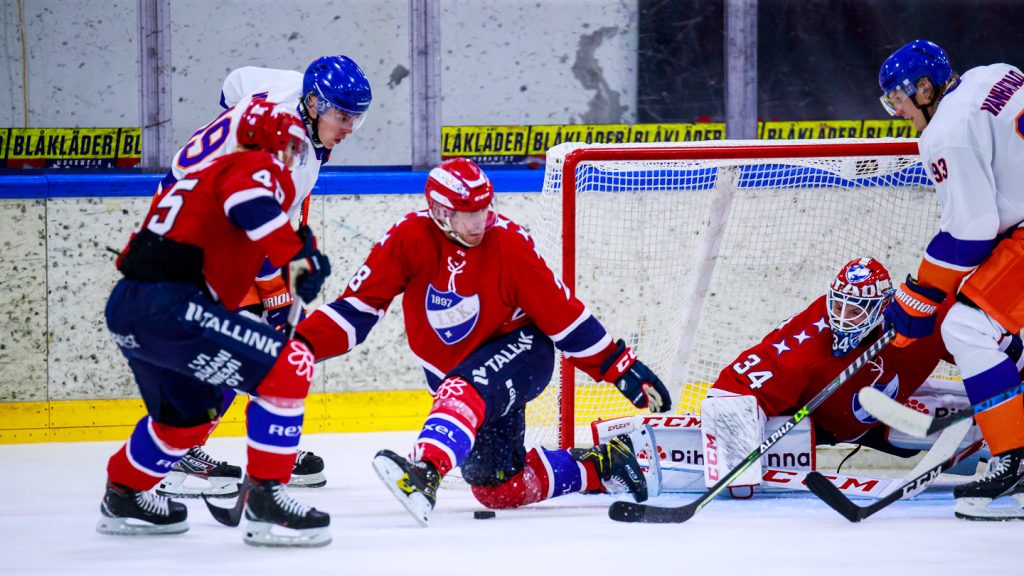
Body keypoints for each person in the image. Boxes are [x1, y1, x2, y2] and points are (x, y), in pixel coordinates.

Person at [294, 157, 672, 526]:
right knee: (498, 488)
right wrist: (294, 345)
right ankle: (602, 467)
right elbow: (356, 310)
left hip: (523, 353)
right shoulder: (408, 237)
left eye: (483, 209)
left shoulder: (509, 244)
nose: (479, 222)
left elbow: (563, 314)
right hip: (463, 379)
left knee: (461, 389)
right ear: (440, 212)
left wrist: (618, 366)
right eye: (467, 213)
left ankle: (424, 472)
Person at [97, 100, 332, 547]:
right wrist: (297, 255)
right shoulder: (251, 167)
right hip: (172, 305)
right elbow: (252, 203)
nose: (291, 160)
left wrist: (296, 256)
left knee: (183, 421)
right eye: (290, 148)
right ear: (272, 145)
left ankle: (122, 493)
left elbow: (241, 238)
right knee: (291, 365)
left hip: (131, 307)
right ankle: (266, 501)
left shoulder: (204, 176)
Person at [155, 54, 373, 496]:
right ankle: (176, 456)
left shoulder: (288, 85)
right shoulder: (291, 155)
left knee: (264, 341)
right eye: (342, 115)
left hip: (194, 206)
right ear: (314, 104)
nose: (350, 127)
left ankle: (268, 447)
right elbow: (260, 227)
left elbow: (234, 84)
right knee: (245, 340)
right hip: (198, 230)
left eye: (357, 117)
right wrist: (278, 292)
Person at [877, 40, 1024, 520]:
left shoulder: (946, 131)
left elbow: (973, 230)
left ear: (925, 88)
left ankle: (1015, 464)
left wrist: (919, 290)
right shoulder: (994, 71)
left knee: (967, 326)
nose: (897, 111)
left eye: (898, 98)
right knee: (995, 326)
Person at [704, 258, 966, 495]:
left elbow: (980, 352)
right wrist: (734, 468)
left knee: (962, 418)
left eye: (855, 311)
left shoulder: (925, 319)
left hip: (880, 414)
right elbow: (732, 391)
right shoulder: (805, 340)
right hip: (819, 418)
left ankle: (989, 453)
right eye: (838, 306)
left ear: (883, 307)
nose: (841, 319)